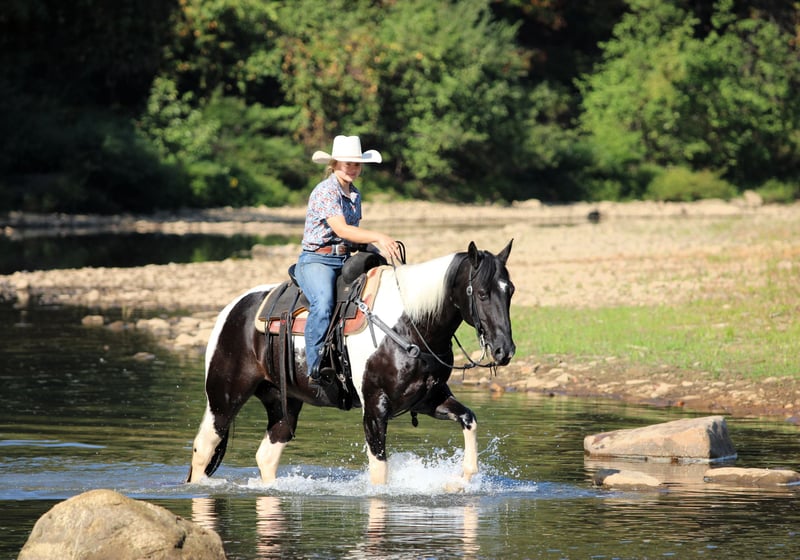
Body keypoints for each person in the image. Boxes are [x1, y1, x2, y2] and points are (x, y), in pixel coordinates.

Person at [294, 135, 402, 382]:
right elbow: (342, 230)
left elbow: (353, 237)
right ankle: (314, 367)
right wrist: (379, 236)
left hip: (344, 258)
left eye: (356, 164)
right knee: (323, 303)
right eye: (347, 163)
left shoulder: (354, 194)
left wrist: (379, 253)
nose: (352, 168)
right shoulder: (325, 191)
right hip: (317, 260)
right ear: (334, 164)